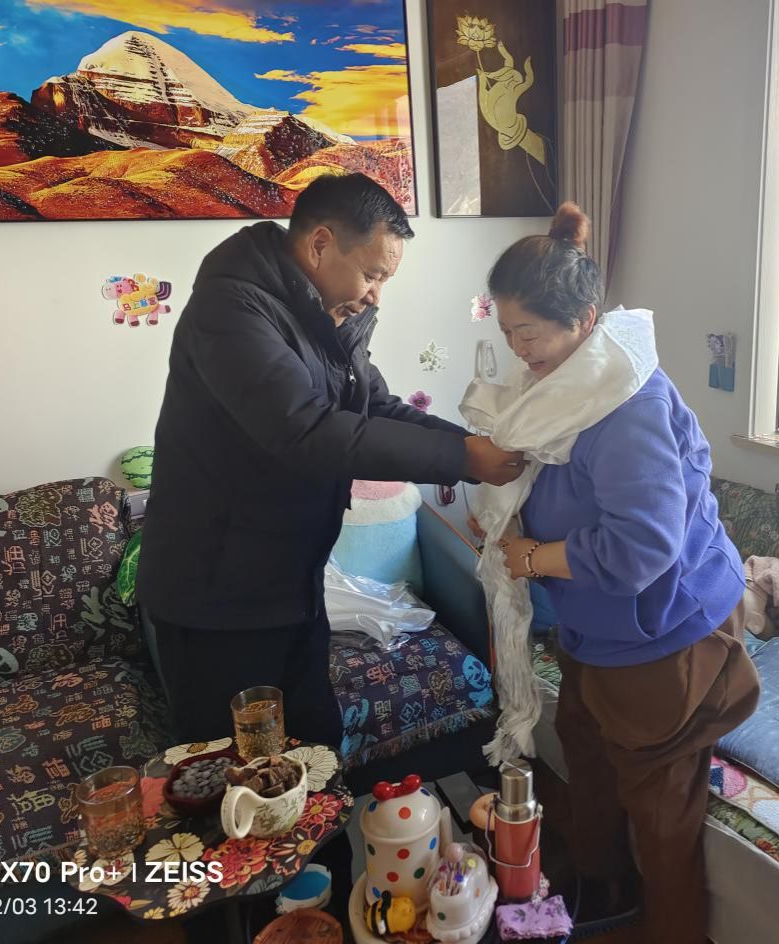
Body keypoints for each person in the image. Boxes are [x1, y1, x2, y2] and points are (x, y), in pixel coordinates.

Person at [137, 173, 525, 752]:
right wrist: (461, 457)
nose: (376, 296)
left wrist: (472, 450)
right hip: (216, 602)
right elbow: (306, 430)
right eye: (373, 275)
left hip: (290, 583)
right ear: (320, 244)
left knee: (315, 751)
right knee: (240, 774)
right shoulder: (232, 308)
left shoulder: (325, 318)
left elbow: (377, 407)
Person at [469, 204, 760, 944]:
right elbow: (553, 485)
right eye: (507, 331)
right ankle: (602, 883)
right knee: (584, 744)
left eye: (529, 333)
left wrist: (529, 558)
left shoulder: (627, 407)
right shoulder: (564, 387)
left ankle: (667, 926)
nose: (517, 349)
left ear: (584, 321)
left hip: (666, 630)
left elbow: (641, 548)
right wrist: (507, 524)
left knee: (661, 806)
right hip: (594, 623)